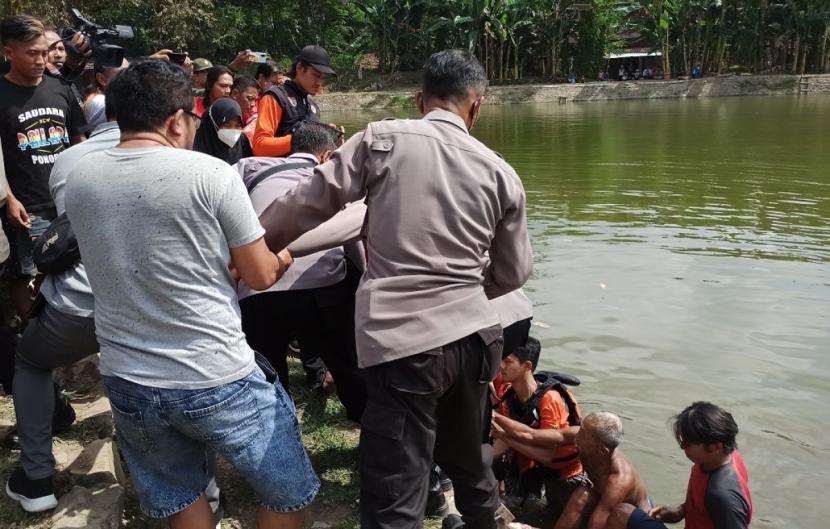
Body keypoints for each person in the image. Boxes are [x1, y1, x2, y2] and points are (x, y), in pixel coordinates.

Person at [258, 48, 532, 529]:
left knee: (395, 490)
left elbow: (309, 202)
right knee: (471, 463)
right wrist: (462, 290)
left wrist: (256, 246)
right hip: (475, 340)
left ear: (419, 98)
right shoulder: (501, 171)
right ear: (477, 106)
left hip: (405, 346)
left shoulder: (384, 139)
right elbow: (512, 273)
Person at [64, 59, 317, 529]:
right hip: (214, 372)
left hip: (129, 376)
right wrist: (284, 257)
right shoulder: (210, 174)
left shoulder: (80, 178)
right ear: (178, 119)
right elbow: (260, 276)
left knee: (181, 496)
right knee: (287, 493)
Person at [4, 91, 121, 514]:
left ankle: (36, 478)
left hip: (78, 306)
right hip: (153, 304)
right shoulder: (191, 156)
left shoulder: (70, 160)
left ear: (88, 123)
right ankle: (194, 486)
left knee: (32, 363)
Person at [236, 121, 366, 423]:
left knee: (269, 372)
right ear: (327, 156)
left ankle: (278, 434)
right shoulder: (331, 179)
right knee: (348, 362)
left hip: (258, 288)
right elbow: (353, 246)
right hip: (324, 289)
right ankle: (366, 426)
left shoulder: (248, 166)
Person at [0, 15, 85, 320]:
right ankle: (32, 332)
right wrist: (9, 199)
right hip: (26, 205)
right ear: (8, 53)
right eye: (32, 53)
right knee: (27, 272)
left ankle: (64, 329)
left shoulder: (61, 88)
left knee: (72, 264)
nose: (41, 60)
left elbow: (79, 140)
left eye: (44, 52)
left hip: (67, 198)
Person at [611, 402, 752, 529]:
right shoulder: (723, 456)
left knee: (621, 514)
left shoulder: (722, 496)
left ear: (715, 447)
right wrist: (681, 511)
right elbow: (704, 505)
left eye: (687, 444)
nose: (682, 448)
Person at [492, 337, 587, 520]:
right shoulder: (510, 396)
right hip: (534, 466)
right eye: (501, 359)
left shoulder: (549, 399)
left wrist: (506, 435)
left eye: (508, 361)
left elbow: (547, 456)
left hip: (565, 477)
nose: (501, 366)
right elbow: (503, 441)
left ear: (527, 366)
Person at [552, 412, 651, 529]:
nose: (576, 437)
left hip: (629, 520)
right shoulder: (590, 446)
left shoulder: (619, 481)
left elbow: (599, 522)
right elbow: (533, 435)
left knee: (618, 513)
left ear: (602, 450)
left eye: (582, 434)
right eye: (580, 429)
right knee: (581, 495)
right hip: (606, 500)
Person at [252, 45, 334, 157]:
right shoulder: (275, 97)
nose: (319, 82)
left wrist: (329, 139)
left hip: (310, 170)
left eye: (323, 77)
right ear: (300, 68)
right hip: (281, 170)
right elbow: (259, 146)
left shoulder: (313, 107)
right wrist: (300, 139)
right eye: (316, 75)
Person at [193, 97, 253, 165]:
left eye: (237, 126)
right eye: (227, 125)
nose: (233, 130)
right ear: (213, 124)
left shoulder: (243, 142)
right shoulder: (201, 146)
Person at [83, 58, 127, 130]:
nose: (131, 77)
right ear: (101, 79)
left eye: (131, 72)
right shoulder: (101, 102)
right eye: (123, 73)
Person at [231, 76, 259, 140]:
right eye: (250, 99)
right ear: (235, 94)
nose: (253, 104)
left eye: (255, 100)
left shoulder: (247, 117)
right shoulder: (219, 115)